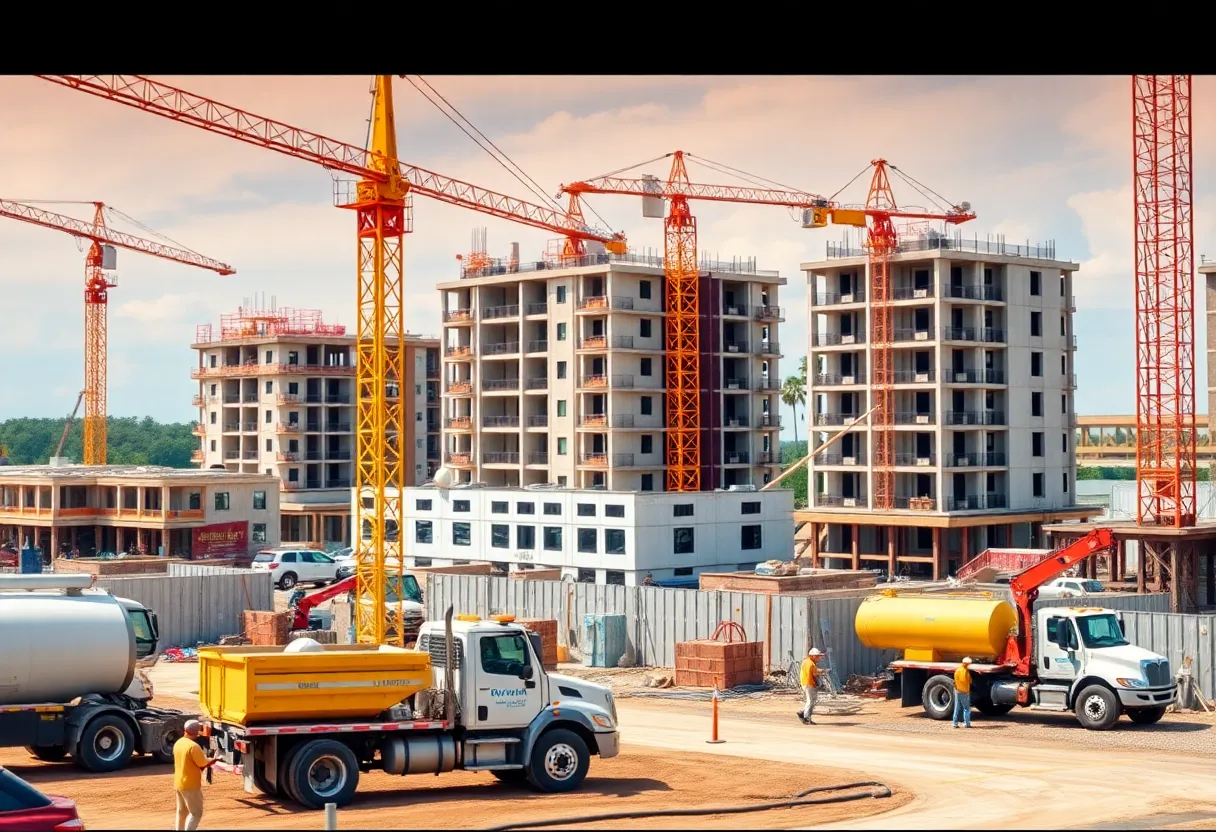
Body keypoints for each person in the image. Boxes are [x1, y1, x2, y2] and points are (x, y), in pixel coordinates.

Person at [173, 720, 216, 831]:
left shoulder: (179, 743)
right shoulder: (193, 747)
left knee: (182, 812)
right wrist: (214, 759)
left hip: (179, 783)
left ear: (185, 730)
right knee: (196, 813)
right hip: (190, 784)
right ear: (197, 732)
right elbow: (203, 763)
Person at [798, 647, 824, 725]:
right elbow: (815, 673)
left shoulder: (805, 661)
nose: (818, 658)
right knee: (811, 701)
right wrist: (824, 671)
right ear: (812, 656)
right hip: (810, 684)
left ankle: (802, 713)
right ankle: (806, 717)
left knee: (810, 700)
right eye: (817, 656)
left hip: (804, 683)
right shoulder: (811, 664)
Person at [953, 657, 973, 729]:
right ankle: (967, 724)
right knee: (966, 709)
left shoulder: (957, 670)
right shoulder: (965, 671)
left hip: (957, 691)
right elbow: (969, 680)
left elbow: (955, 681)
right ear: (966, 664)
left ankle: (955, 723)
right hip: (964, 692)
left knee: (956, 708)